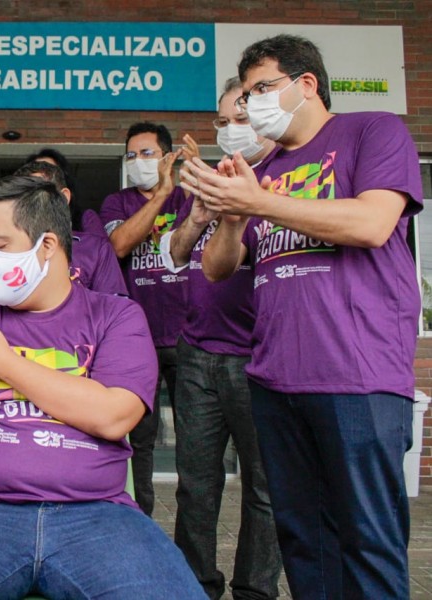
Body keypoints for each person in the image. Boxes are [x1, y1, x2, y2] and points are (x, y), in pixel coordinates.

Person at [0, 176, 204, 599]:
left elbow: (114, 415)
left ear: (47, 246)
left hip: (96, 516)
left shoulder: (116, 316)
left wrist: (6, 364)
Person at [188, 35, 423, 599]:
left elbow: (371, 223)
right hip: (275, 380)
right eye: (246, 94)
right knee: (303, 542)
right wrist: (229, 214)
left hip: (357, 377)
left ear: (306, 84)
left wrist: (259, 202)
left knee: (367, 540)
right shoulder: (263, 168)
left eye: (262, 88)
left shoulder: (372, 130)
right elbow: (219, 269)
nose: (251, 104)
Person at [157, 77, 281, 600]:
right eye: (224, 122)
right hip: (197, 355)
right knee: (196, 485)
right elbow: (176, 255)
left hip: (258, 359)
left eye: (242, 119)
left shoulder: (282, 178)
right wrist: (199, 216)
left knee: (264, 489)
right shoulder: (213, 180)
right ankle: (194, 585)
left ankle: (254, 590)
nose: (231, 131)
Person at [99, 121, 186, 516]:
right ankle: (141, 523)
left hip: (190, 338)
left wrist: (174, 189)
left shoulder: (188, 199)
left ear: (167, 157)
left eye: (147, 153)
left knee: (195, 445)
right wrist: (160, 194)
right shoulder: (117, 203)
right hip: (140, 340)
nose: (137, 161)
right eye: (130, 155)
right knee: (141, 444)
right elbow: (119, 244)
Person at [14, 160, 126, 295]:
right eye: (22, 196)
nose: (30, 202)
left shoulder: (95, 249)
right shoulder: (8, 249)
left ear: (64, 197)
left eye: (37, 193)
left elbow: (114, 309)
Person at [25, 147, 104, 237]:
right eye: (35, 178)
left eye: (50, 173)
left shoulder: (86, 219)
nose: (42, 184)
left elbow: (101, 248)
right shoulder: (16, 223)